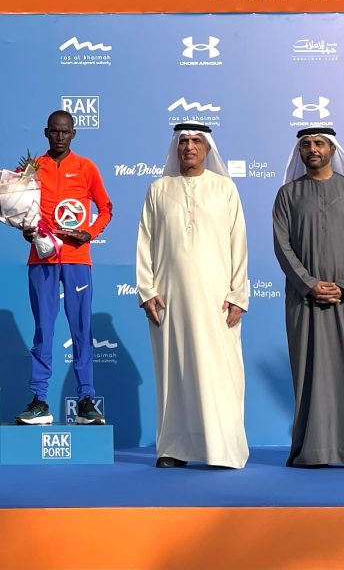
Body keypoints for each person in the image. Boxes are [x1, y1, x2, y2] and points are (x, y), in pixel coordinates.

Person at [136, 123, 249, 469]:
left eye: (196, 141)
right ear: (176, 147)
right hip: (169, 299)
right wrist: (147, 291)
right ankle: (174, 448)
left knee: (220, 372)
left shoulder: (225, 189)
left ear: (207, 148)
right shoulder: (158, 189)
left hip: (217, 299)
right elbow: (145, 242)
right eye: (183, 141)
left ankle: (222, 450)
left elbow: (239, 244)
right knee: (174, 373)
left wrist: (238, 295)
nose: (189, 147)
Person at [273, 127, 344, 468]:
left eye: (319, 143)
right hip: (305, 300)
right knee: (310, 374)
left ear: (332, 149)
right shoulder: (288, 195)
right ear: (300, 152)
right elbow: (282, 245)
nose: (313, 149)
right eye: (306, 144)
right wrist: (309, 284)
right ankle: (313, 451)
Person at [15, 110, 112, 425]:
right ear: (46, 133)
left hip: (76, 258)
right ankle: (39, 400)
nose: (60, 137)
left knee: (81, 329)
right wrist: (25, 228)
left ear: (73, 134)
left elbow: (106, 209)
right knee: (43, 328)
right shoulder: (32, 168)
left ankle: (86, 400)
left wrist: (89, 233)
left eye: (65, 131)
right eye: (55, 131)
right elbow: (18, 207)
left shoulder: (86, 167)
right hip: (42, 257)